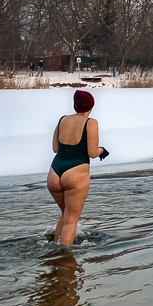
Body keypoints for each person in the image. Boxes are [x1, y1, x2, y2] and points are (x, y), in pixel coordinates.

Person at [47, 89, 109, 246]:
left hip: (54, 172)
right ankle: (64, 260)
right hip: (75, 172)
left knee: (65, 214)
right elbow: (92, 153)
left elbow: (55, 148)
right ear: (91, 106)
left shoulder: (62, 120)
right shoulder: (91, 123)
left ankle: (53, 249)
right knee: (71, 221)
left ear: (75, 105)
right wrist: (102, 150)